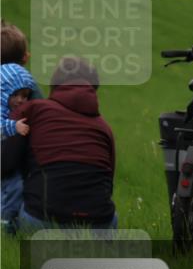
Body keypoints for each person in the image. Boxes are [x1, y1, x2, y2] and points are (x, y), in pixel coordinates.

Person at [1, 56, 117, 232]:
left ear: (55, 84)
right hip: (99, 226)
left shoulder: (32, 111)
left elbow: (6, 164)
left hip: (42, 220)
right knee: (113, 217)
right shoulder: (104, 128)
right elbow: (108, 183)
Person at [1, 20, 42, 233]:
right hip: (15, 153)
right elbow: (41, 113)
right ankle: (9, 227)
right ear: (25, 57)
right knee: (14, 188)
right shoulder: (28, 84)